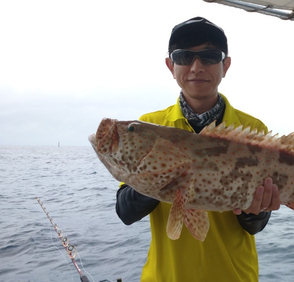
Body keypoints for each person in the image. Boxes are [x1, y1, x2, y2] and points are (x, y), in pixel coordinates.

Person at [115, 17, 281, 282]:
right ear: (171, 65)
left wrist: (258, 209)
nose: (196, 67)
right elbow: (125, 212)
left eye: (209, 56)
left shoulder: (252, 130)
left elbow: (255, 226)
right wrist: (160, 175)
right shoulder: (149, 126)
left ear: (225, 65)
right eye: (184, 57)